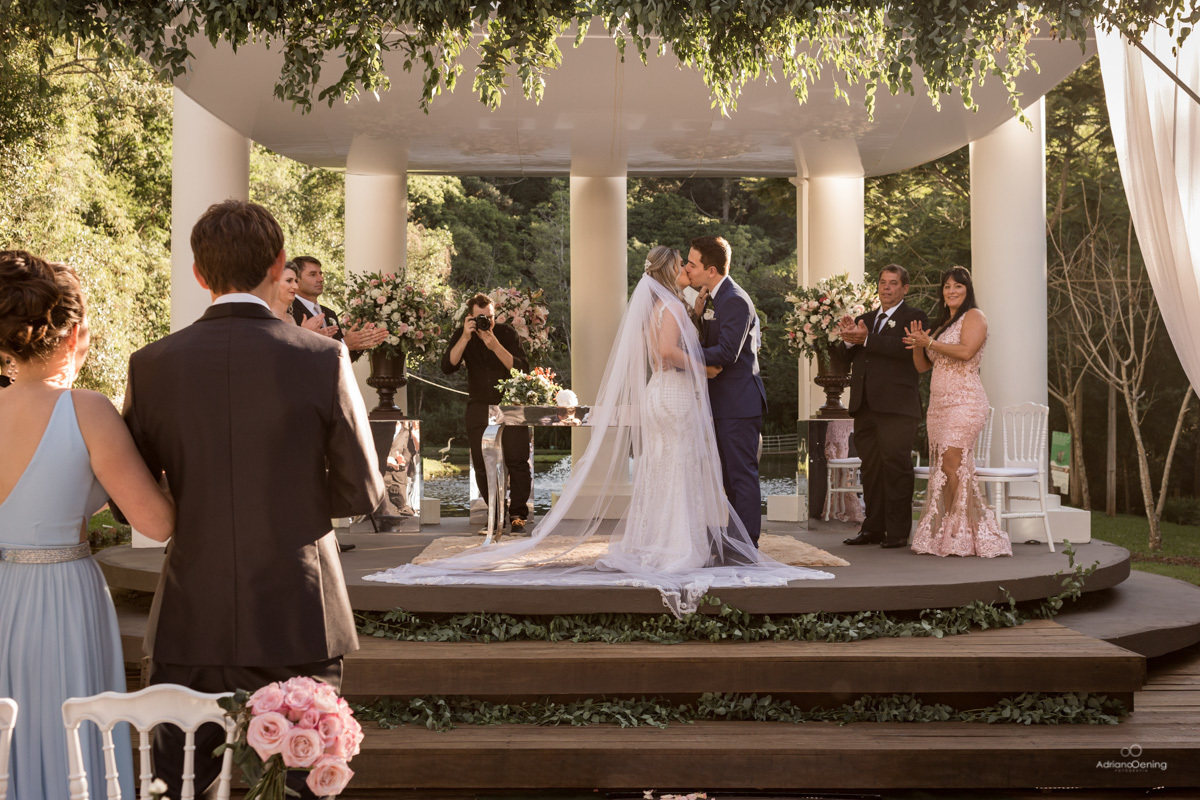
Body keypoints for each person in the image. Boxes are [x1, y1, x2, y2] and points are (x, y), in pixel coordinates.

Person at [366, 246, 833, 615]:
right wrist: (701, 367)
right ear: (673, 272)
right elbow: (668, 354)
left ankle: (669, 541)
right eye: (684, 265)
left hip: (667, 395)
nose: (688, 271)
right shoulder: (671, 308)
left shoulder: (665, 306)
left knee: (670, 468)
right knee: (677, 468)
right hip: (674, 395)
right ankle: (678, 546)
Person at [120, 201, 384, 798]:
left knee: (178, 786)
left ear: (198, 273)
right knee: (300, 787)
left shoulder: (151, 363)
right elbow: (361, 489)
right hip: (299, 612)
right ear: (279, 263)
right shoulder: (322, 357)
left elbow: (132, 496)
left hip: (190, 618)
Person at [0, 250, 174, 800]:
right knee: (72, 737)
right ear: (72, 333)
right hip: (61, 598)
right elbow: (156, 522)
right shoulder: (86, 409)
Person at [903, 266, 1011, 558]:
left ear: (967, 290)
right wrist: (918, 344)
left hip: (965, 401)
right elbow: (923, 367)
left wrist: (929, 342)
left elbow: (966, 352)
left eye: (958, 286)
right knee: (945, 467)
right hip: (939, 405)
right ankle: (954, 529)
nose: (951, 291)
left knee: (953, 464)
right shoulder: (942, 324)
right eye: (947, 286)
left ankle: (968, 530)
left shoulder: (974, 316)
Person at [682, 235, 768, 547]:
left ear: (712, 270)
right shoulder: (714, 298)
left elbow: (728, 352)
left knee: (741, 476)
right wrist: (697, 315)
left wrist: (681, 355)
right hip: (723, 403)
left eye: (692, 264)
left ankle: (747, 546)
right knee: (729, 479)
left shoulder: (734, 299)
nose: (687, 268)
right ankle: (736, 541)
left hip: (739, 403)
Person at [838, 265, 930, 549]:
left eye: (893, 283)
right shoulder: (865, 319)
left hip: (897, 407)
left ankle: (898, 532)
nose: (886, 288)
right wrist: (848, 339)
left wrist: (866, 339)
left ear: (905, 288)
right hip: (864, 405)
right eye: (882, 282)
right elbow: (844, 360)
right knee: (870, 469)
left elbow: (904, 349)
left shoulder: (914, 317)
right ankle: (873, 528)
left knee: (896, 467)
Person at [441, 293, 533, 534]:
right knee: (482, 464)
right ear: (470, 317)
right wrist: (464, 336)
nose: (487, 322)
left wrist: (495, 346)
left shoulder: (506, 334)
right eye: (481, 317)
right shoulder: (463, 334)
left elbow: (523, 369)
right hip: (479, 406)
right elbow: (447, 367)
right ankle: (495, 515)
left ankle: (518, 516)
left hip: (511, 405)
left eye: (490, 317)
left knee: (517, 461)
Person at [290, 255, 387, 358]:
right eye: (313, 274)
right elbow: (295, 355)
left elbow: (341, 360)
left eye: (320, 274)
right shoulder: (289, 311)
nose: (321, 279)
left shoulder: (329, 313)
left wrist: (357, 344)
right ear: (297, 280)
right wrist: (343, 344)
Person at [271, 260, 334, 333]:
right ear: (273, 283)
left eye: (296, 281)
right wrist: (305, 333)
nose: (295, 286)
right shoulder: (265, 315)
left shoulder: (291, 318)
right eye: (289, 281)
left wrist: (317, 338)